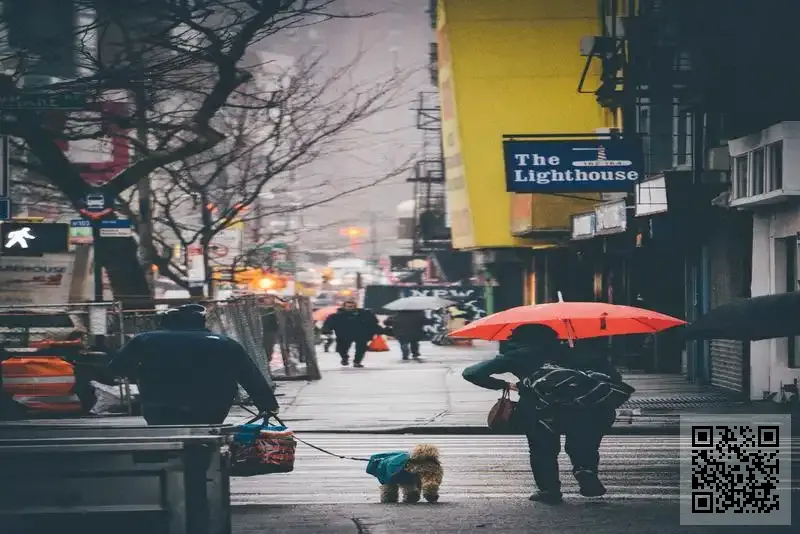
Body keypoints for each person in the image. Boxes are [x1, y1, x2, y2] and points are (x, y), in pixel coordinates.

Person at [461, 324, 627, 504]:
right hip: (580, 408)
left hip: (539, 410)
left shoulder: (517, 355)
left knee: (542, 450)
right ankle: (584, 469)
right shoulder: (577, 351)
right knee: (583, 441)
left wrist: (505, 385)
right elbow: (614, 377)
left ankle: (549, 491)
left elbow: (472, 373)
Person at [108, 304, 279, 425]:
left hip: (159, 404)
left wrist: (140, 373)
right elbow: (250, 376)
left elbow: (116, 369)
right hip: (211, 406)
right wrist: (267, 406)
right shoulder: (224, 343)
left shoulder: (144, 340)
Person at [321, 300, 381, 367]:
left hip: (360, 333)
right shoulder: (337, 315)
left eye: (352, 306)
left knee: (361, 348)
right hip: (344, 334)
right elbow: (328, 323)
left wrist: (376, 328)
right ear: (344, 306)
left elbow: (372, 322)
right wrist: (326, 330)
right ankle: (344, 358)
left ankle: (357, 362)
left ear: (355, 306)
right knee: (342, 348)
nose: (350, 308)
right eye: (348, 306)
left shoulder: (362, 313)